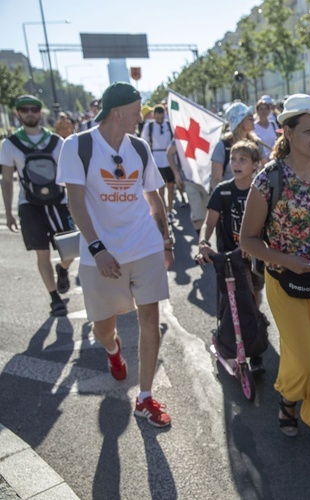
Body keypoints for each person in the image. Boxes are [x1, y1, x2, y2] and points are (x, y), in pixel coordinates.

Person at [239, 94, 310, 458]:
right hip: (284, 281)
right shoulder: (268, 179)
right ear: (287, 132)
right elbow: (247, 240)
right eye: (308, 131)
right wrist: (286, 260)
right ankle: (289, 398)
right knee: (305, 360)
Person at [57, 82, 174, 428]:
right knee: (103, 329)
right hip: (102, 255)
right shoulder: (77, 146)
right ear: (119, 112)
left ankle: (145, 398)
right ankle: (112, 349)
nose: (141, 117)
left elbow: (155, 198)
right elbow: (76, 202)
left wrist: (165, 241)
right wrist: (97, 247)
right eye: (137, 111)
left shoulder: (138, 147)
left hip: (144, 246)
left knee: (150, 319)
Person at [196, 139, 266, 372]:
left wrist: (257, 245)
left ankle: (254, 346)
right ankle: (229, 342)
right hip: (228, 259)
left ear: (255, 164)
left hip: (255, 258)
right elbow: (209, 221)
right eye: (233, 159)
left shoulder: (261, 190)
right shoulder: (223, 190)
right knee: (231, 302)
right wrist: (203, 243)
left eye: (243, 160)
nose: (236, 163)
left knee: (252, 299)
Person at [0, 94, 74, 316]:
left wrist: (76, 205)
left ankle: (62, 270)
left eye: (34, 109)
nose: (29, 113)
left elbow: (70, 175)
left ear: (40, 113)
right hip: (30, 205)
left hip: (59, 203)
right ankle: (54, 298)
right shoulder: (10, 144)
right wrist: (9, 213)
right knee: (42, 254)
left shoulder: (56, 142)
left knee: (70, 251)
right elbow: (6, 179)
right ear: (18, 114)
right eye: (25, 110)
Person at [211, 102, 268, 192]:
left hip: (253, 197)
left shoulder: (256, 143)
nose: (254, 120)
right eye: (250, 118)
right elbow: (216, 179)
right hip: (231, 199)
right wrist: (221, 200)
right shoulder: (223, 146)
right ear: (240, 122)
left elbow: (265, 168)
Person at [141, 105, 177, 224]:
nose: (159, 118)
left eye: (161, 116)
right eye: (157, 116)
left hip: (169, 159)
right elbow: (144, 142)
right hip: (156, 159)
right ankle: (163, 211)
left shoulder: (169, 125)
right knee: (160, 188)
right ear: (154, 115)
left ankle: (170, 211)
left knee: (170, 186)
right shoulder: (149, 126)